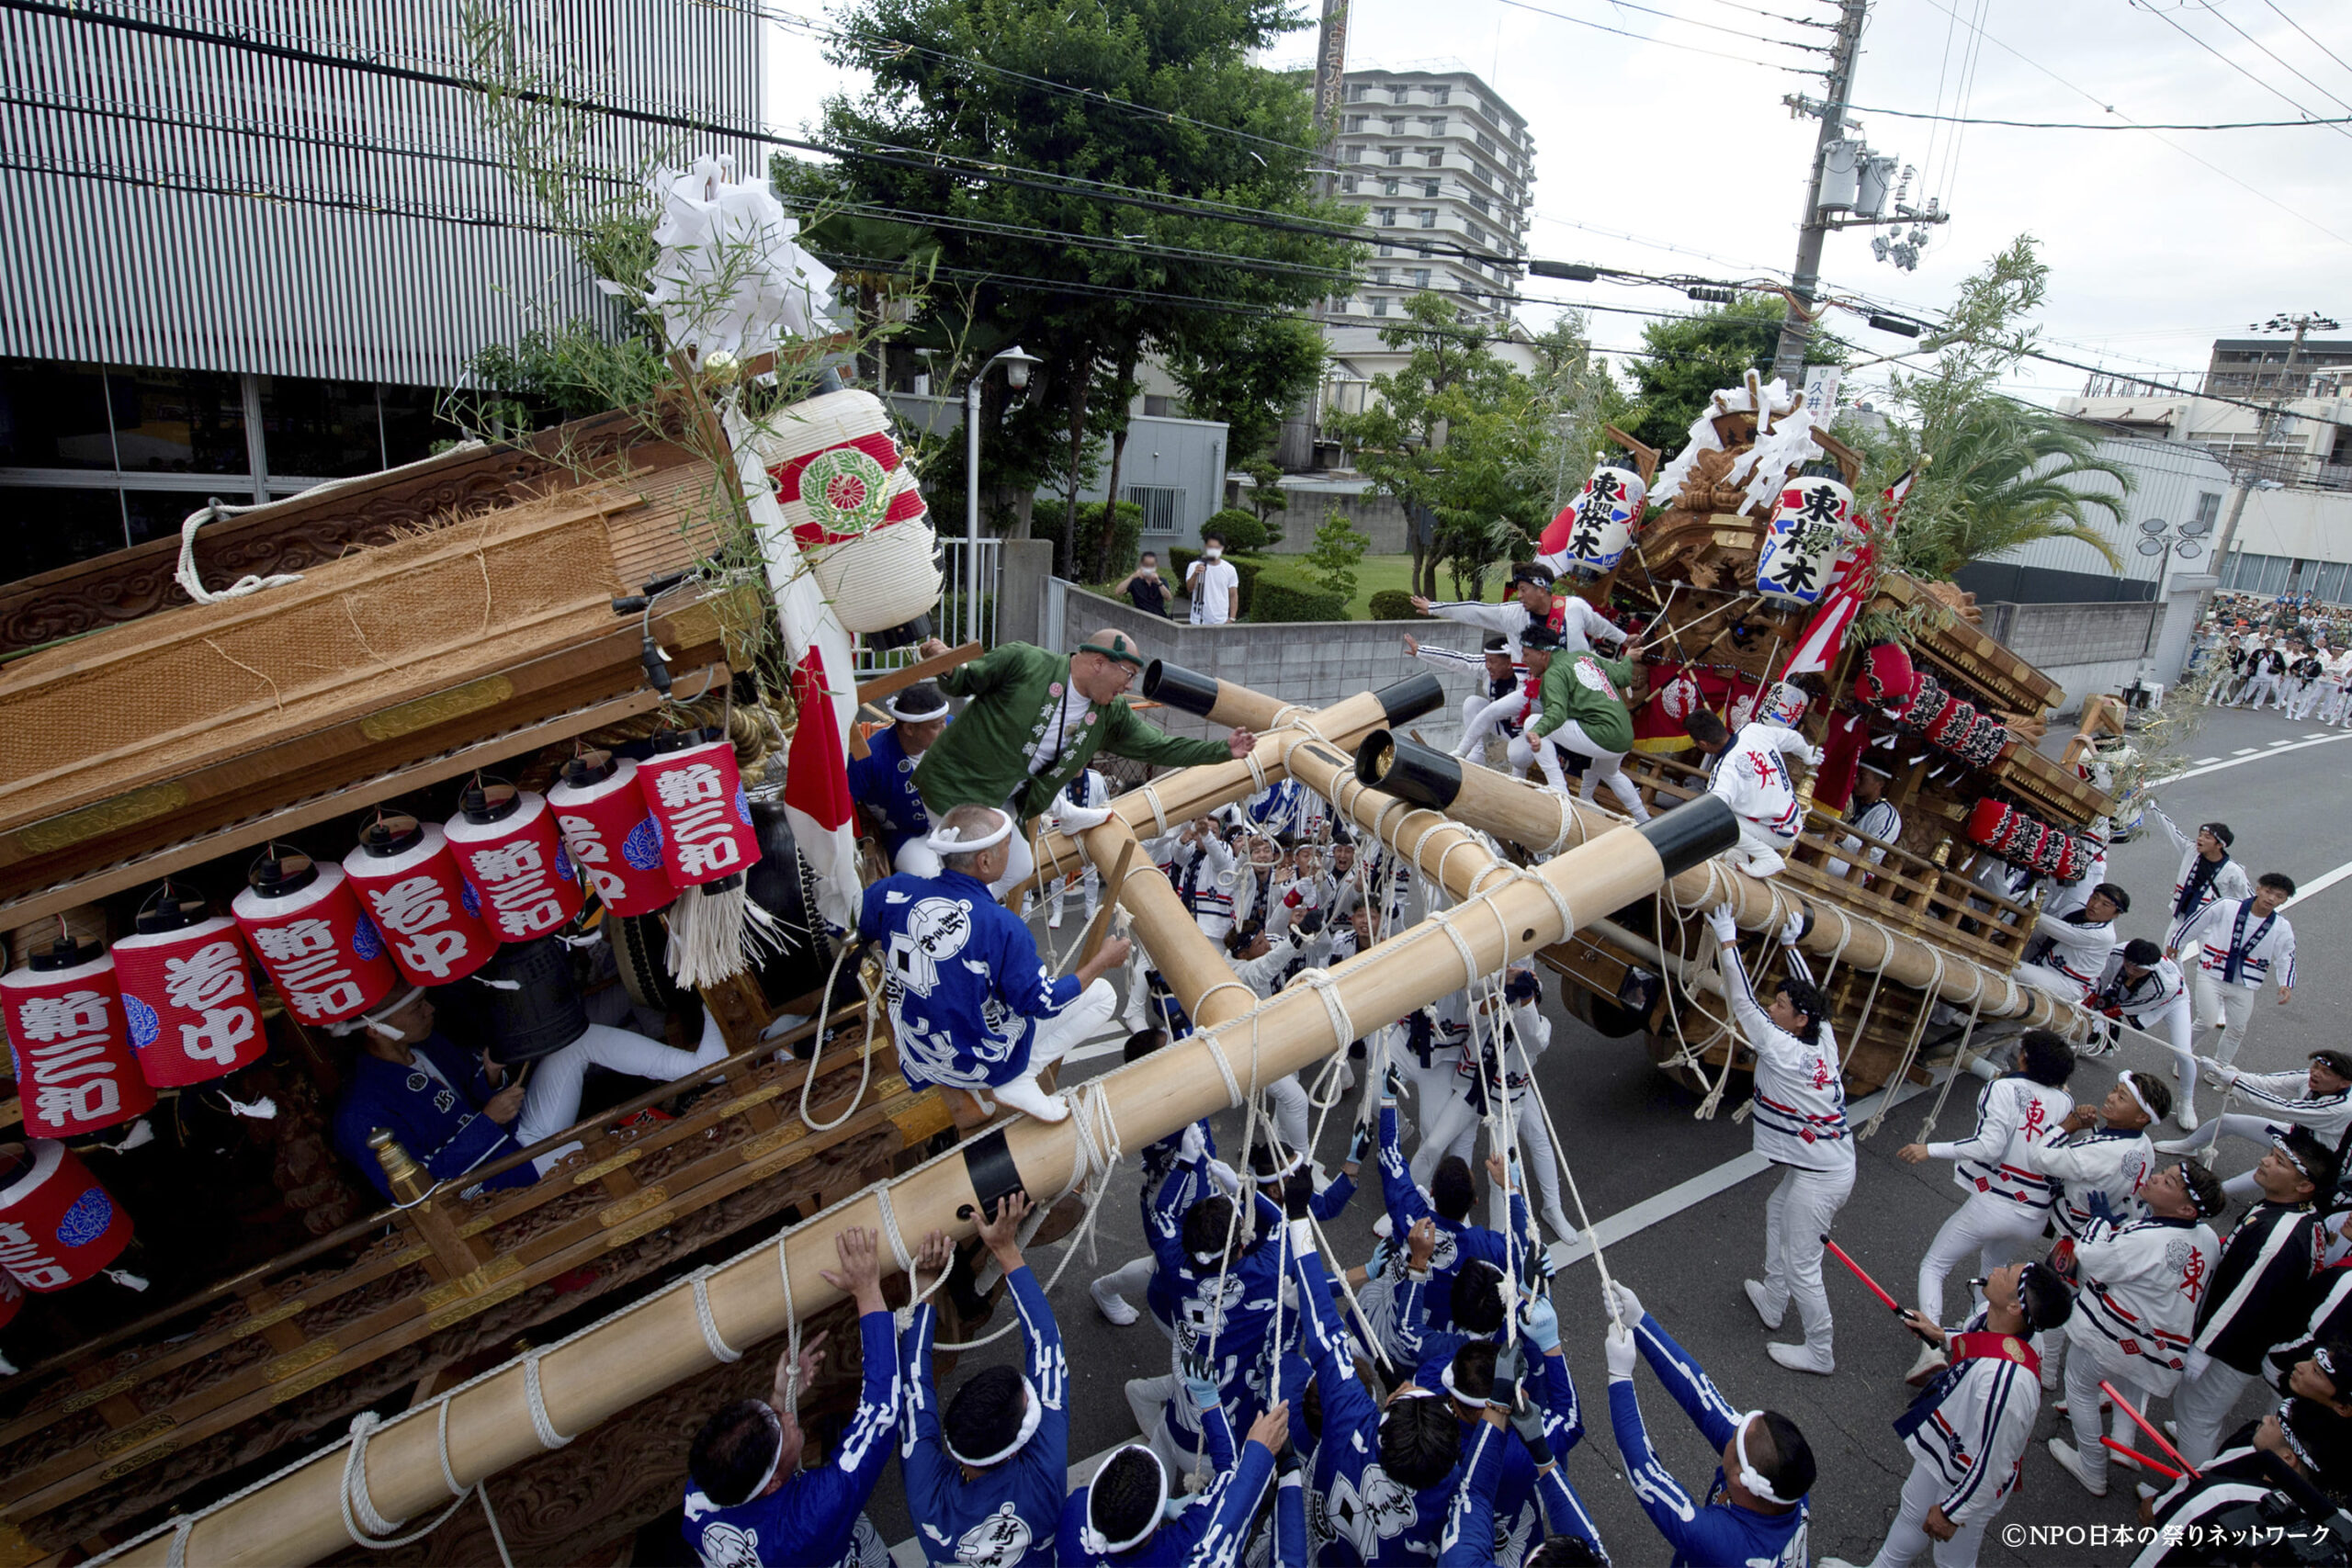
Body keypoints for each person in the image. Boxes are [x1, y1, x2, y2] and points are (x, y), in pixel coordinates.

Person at [910, 629, 1252, 892]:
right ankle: (942, 907)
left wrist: (1222, 750)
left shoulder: (1108, 712)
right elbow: (965, 677)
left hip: (1008, 802)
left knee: (1017, 868)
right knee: (970, 870)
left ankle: (962, 907)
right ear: (1098, 662)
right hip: (954, 787)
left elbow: (1158, 747)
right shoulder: (1026, 661)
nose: (1128, 685)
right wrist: (946, 662)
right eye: (1128, 673)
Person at [330, 984, 729, 1201]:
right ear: (375, 1028)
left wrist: (488, 1078)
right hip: (491, 1184)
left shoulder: (424, 1045)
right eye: (416, 1009)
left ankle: (702, 1069)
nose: (430, 1010)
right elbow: (419, 1192)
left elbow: (471, 1092)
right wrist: (487, 1121)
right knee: (607, 1149)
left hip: (513, 1140)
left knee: (575, 1042)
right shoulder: (361, 1111)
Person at [858, 804, 1128, 1123]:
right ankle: (1019, 1075)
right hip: (974, 1059)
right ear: (984, 861)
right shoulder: (1002, 927)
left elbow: (860, 927)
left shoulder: (894, 890)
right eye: (1006, 847)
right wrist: (1101, 961)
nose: (1010, 853)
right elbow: (1045, 1003)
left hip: (919, 1054)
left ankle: (973, 1089)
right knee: (1102, 995)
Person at [1822, 1261, 2074, 1568]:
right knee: (1912, 1511)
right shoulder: (1997, 1321)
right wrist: (1938, 1333)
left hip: (1971, 1476)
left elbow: (1994, 1465)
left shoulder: (2008, 1384)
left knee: (1952, 1561)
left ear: (2013, 1307)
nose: (1998, 1269)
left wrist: (1953, 1511)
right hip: (1953, 1439)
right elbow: (1980, 1343)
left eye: (2006, 1273)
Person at [681, 1226, 903, 1568]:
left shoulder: (703, 1492)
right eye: (779, 1424)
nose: (787, 1416)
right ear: (772, 1485)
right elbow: (880, 1414)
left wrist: (780, 1394)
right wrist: (868, 1291)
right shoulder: (813, 1514)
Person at [1707, 903, 1851, 1376]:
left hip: (1819, 1176)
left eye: (1781, 1007)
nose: (1773, 1009)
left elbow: (1743, 1000)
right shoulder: (1822, 1039)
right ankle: (1773, 1301)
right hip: (1825, 1166)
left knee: (1803, 1266)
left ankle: (1821, 1349)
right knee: (1775, 1210)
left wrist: (1727, 940)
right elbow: (1816, 999)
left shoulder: (1783, 1048)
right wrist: (1790, 946)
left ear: (1797, 1022)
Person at [1285, 1201, 1470, 1563]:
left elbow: (1324, 1327)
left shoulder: (1346, 1422)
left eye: (1403, 1393)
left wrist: (1297, 1218)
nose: (1401, 1386)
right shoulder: (1457, 1499)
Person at [900, 1192, 1069, 1566]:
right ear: (1016, 1446)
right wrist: (1007, 1250)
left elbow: (915, 1393)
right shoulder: (1044, 1472)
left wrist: (925, 1285)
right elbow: (1048, 1351)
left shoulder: (930, 1500)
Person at [1897, 1031, 2075, 1380]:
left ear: (2024, 1058)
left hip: (1994, 1203)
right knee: (1993, 1266)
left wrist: (1930, 1149)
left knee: (1935, 1265)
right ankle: (1981, 1346)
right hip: (2034, 1212)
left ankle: (1930, 1350)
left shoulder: (2003, 1088)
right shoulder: (2065, 1103)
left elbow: (1989, 1147)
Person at [1602, 1277, 1815, 1568]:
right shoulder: (1787, 1489)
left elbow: (1648, 1478)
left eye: (1734, 1440)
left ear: (1742, 1477)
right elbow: (1705, 1401)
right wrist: (1639, 1322)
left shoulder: (1723, 1546)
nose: (1730, 1429)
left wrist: (1620, 1377)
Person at [2045, 1162, 2226, 1498]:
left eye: (2169, 1181)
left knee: (2079, 1387)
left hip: (2113, 1335)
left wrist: (2099, 1223)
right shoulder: (2207, 1237)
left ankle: (2092, 1467)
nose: (2156, 1177)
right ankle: (2122, 1443)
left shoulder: (2148, 1239)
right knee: (2128, 1379)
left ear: (2187, 1208)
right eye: (2164, 1173)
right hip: (2158, 1341)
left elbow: (2093, 1257)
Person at [2175, 1129, 2338, 1468]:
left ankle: (2188, 1497)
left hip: (2232, 1349)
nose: (2264, 1160)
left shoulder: (2281, 1234)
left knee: (2197, 1419)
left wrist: (2203, 1350)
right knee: (2201, 1416)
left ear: (2304, 1186)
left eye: (2279, 1161)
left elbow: (2244, 1299)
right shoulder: (2298, 1215)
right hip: (2242, 1344)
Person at [2030, 1071, 2167, 1391]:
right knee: (2076, 1297)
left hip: (2077, 1238)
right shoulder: (2143, 1144)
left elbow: (2043, 1158)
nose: (2110, 1097)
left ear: (2140, 1117)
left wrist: (2069, 1127)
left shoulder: (2105, 1152)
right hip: (2109, 1229)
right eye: (2115, 1090)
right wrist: (2092, 1127)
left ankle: (2047, 1369)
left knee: (2056, 1298)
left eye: (2122, 1098)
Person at [1057, 1384, 1285, 1567]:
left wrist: (1164, 1506)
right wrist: (1209, 1402)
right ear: (1156, 1525)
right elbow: (1231, 1478)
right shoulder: (1185, 1546)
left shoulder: (1076, 1508)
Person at [2130, 1397, 2352, 1567]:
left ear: (2287, 1458)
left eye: (2275, 1421)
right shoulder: (2340, 1526)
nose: (2265, 1420)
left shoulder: (2222, 1497)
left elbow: (2154, 1559)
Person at [2159, 1050, 2352, 1200]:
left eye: (2325, 1072)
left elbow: (2283, 1107)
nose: (2316, 1073)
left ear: (2344, 1083)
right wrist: (2226, 1074)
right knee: (2228, 1121)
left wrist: (2236, 1083)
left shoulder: (2342, 1109)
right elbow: (2267, 1083)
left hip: (2319, 1162)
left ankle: (2213, 1194)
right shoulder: (2310, 1078)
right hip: (2297, 1136)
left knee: (2268, 1169)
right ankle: (2188, 1146)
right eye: (2315, 1066)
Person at [2175, 873, 2297, 1082]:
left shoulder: (2281, 927)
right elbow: (2198, 921)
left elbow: (2286, 956)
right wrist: (2177, 942)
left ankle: (2218, 1069)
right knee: (2207, 1021)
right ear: (2258, 889)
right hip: (2212, 974)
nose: (2271, 899)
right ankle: (2183, 1059)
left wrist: (2286, 983)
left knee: (2237, 1029)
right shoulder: (2227, 906)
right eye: (2268, 892)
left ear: (2284, 900)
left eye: (2279, 896)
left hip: (2245, 983)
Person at [1521, 627, 1649, 822]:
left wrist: (1537, 732)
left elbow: (1556, 712)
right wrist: (1628, 659)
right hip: (1624, 737)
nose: (1523, 660)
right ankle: (1644, 819)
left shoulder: (1554, 674)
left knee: (1532, 721)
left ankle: (1558, 789)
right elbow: (1623, 677)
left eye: (1526, 654)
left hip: (1603, 736)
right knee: (1609, 772)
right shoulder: (1585, 657)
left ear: (1543, 653)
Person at [1685, 706, 1819, 876]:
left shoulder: (1725, 771)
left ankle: (1767, 857)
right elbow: (1792, 738)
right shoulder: (1753, 730)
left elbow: (1713, 810)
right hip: (1791, 819)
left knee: (1717, 819)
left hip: (1774, 831)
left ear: (1702, 744)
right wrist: (1806, 753)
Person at [2086, 940, 2198, 1122]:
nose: (2130, 971)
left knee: (2183, 1053)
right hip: (2133, 992)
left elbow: (2129, 1008)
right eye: (2128, 965)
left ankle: (2186, 1100)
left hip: (2172, 1002)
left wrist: (2102, 1015)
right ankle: (2104, 1047)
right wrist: (2087, 1007)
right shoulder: (2117, 953)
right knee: (2100, 1004)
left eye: (2137, 970)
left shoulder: (2164, 984)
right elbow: (2102, 981)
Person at [846, 682, 952, 875]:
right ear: (910, 729)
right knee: (926, 877)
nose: (945, 729)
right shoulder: (869, 758)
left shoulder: (953, 731)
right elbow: (844, 804)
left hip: (954, 822)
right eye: (936, 726)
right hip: (907, 834)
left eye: (944, 721)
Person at [1411, 561, 1627, 656]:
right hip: (1535, 693)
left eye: (1523, 589)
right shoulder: (1513, 614)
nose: (1519, 595)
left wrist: (1625, 639)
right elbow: (1476, 611)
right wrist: (1434, 608)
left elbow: (1600, 627)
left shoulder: (1574, 607)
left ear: (1541, 589)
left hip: (1580, 684)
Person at [1408, 631, 1525, 766]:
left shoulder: (1526, 675)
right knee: (1472, 703)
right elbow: (1460, 661)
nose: (1488, 666)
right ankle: (1476, 754)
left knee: (1518, 756)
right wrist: (1421, 651)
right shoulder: (1485, 667)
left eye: (1492, 661)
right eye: (1486, 660)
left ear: (1510, 663)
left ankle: (1521, 779)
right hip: (1499, 724)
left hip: (1522, 733)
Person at [2151, 807, 2251, 956]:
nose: (2200, 839)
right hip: (2183, 916)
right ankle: (2177, 981)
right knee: (2169, 954)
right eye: (2200, 835)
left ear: (2220, 845)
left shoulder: (2233, 871)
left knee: (2208, 962)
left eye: (2207, 837)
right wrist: (2151, 807)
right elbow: (2171, 830)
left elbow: (2248, 898)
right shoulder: (2191, 851)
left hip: (2211, 923)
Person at [2013, 883, 2130, 1001]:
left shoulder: (2103, 936)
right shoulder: (2075, 909)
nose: (2095, 905)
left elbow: (2057, 929)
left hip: (2068, 984)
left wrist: (2032, 910)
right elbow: (2040, 933)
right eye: (2094, 897)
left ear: (2116, 914)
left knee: (2011, 968)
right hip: (2043, 963)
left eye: (2105, 904)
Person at [1046, 769, 1110, 930]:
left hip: (1089, 833)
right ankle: (1057, 911)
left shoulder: (1096, 779)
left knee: (1091, 876)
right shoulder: (1058, 778)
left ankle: (1090, 909)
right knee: (1058, 876)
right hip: (1063, 834)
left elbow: (1105, 804)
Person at [1824, 761, 1901, 882]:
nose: (1855, 781)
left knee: (1822, 859)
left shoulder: (1887, 814)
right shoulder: (1849, 798)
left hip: (1857, 867)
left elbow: (1874, 854)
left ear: (1879, 784)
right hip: (1831, 847)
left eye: (1862, 777)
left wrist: (1845, 838)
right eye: (1856, 775)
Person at [1185, 532, 1241, 626]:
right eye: (1210, 547)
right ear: (1205, 547)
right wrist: (1195, 574)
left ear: (1222, 548)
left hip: (1221, 621)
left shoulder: (1229, 569)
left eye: (1217, 548)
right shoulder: (1194, 566)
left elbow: (1233, 594)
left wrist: (1232, 618)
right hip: (1198, 620)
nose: (1213, 550)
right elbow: (1189, 588)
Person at [1112, 550, 1172, 618]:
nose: (1149, 568)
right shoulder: (1135, 582)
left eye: (1152, 565)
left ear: (1156, 566)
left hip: (1160, 617)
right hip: (1141, 618)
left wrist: (1158, 582)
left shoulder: (1161, 581)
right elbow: (1118, 592)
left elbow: (1168, 598)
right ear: (1141, 565)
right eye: (1146, 565)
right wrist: (1132, 577)